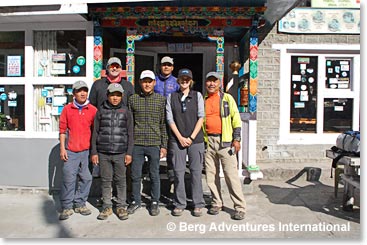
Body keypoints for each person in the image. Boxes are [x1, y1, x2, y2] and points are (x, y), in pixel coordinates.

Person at [89, 56, 134, 205]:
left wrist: (129, 151)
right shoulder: (98, 85)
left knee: (121, 177)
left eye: (117, 66)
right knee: (106, 178)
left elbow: (131, 113)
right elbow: (93, 109)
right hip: (104, 141)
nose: (114, 68)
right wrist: (94, 150)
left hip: (121, 142)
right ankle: (107, 203)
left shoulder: (128, 86)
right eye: (111, 66)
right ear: (107, 68)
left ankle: (122, 203)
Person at [203, 71, 246, 220]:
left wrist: (237, 139)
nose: (211, 84)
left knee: (231, 176)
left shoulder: (227, 99)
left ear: (219, 83)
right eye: (209, 81)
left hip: (225, 142)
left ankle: (239, 207)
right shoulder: (203, 100)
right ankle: (216, 202)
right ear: (205, 83)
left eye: (214, 81)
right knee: (211, 176)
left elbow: (236, 119)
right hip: (209, 142)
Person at [166, 68, 205, 217]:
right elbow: (170, 119)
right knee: (178, 173)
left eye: (187, 78)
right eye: (182, 78)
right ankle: (179, 203)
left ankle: (197, 203)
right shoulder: (171, 97)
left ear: (191, 81)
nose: (184, 81)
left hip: (196, 140)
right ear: (178, 80)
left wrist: (191, 137)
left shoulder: (198, 96)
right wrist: (180, 137)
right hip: (177, 140)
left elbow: (201, 117)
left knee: (195, 172)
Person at [128, 70, 168, 216]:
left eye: (149, 81)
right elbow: (129, 124)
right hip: (137, 143)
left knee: (154, 174)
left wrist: (164, 145)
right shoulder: (133, 99)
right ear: (140, 82)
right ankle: (136, 201)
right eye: (144, 81)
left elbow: (164, 124)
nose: (147, 84)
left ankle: (155, 201)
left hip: (154, 142)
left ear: (154, 83)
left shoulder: (161, 100)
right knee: (135, 174)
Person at [58, 80, 97, 220]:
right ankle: (67, 206)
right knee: (69, 178)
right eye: (79, 91)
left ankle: (80, 203)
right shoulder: (67, 109)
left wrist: (94, 152)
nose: (83, 93)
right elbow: (62, 130)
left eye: (85, 90)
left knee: (86, 178)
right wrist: (63, 148)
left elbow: (96, 132)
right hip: (71, 150)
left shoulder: (93, 110)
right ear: (74, 93)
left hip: (86, 151)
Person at [154, 56, 179, 182]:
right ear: (160, 66)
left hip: (171, 118)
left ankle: (171, 171)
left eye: (169, 65)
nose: (166, 67)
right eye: (164, 64)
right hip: (156, 117)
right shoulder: (154, 81)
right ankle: (153, 169)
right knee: (155, 143)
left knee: (171, 144)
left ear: (172, 67)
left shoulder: (176, 82)